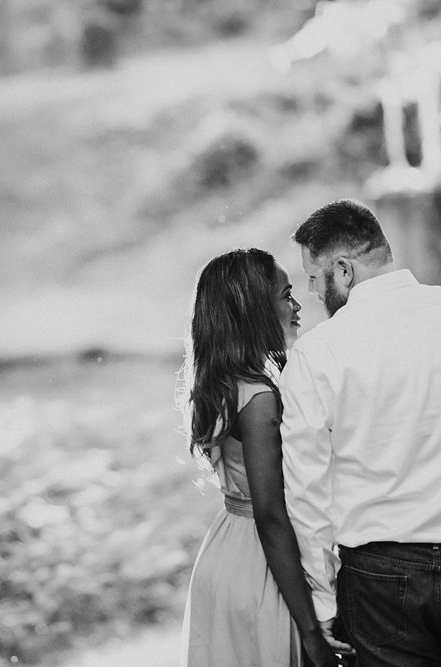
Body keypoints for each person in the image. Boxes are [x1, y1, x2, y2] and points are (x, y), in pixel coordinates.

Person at [279, 199, 441, 666]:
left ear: (343, 269)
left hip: (381, 579)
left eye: (313, 276)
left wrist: (322, 598)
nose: (310, 290)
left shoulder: (318, 353)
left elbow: (307, 491)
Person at [179, 248, 350, 667]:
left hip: (224, 550)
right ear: (254, 310)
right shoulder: (258, 398)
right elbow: (271, 515)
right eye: (286, 295)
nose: (296, 306)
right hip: (261, 564)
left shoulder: (223, 382)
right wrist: (312, 632)